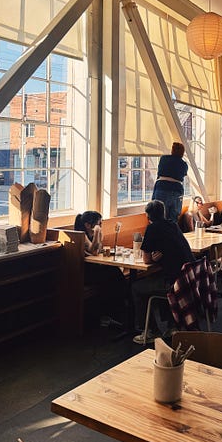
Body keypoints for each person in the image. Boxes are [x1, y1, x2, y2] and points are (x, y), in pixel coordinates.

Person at [132, 200, 194, 343]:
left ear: (148, 216)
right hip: (188, 279)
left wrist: (153, 258)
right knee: (160, 278)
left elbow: (146, 260)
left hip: (175, 284)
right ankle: (172, 326)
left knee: (136, 287)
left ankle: (150, 331)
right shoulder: (173, 225)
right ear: (164, 213)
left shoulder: (152, 228)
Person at [74, 211, 127, 329]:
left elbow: (98, 250)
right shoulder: (82, 235)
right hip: (85, 273)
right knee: (112, 276)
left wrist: (98, 234)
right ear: (88, 225)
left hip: (95, 268)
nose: (100, 226)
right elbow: (93, 251)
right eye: (99, 223)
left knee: (114, 272)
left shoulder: (93, 234)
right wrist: (97, 232)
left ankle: (119, 309)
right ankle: (113, 313)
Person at [152, 142, 188, 223]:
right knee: (173, 216)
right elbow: (183, 174)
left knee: (159, 213)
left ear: (172, 150)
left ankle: (160, 230)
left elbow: (160, 172)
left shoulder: (164, 159)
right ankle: (171, 230)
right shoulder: (183, 164)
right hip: (176, 189)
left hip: (162, 187)